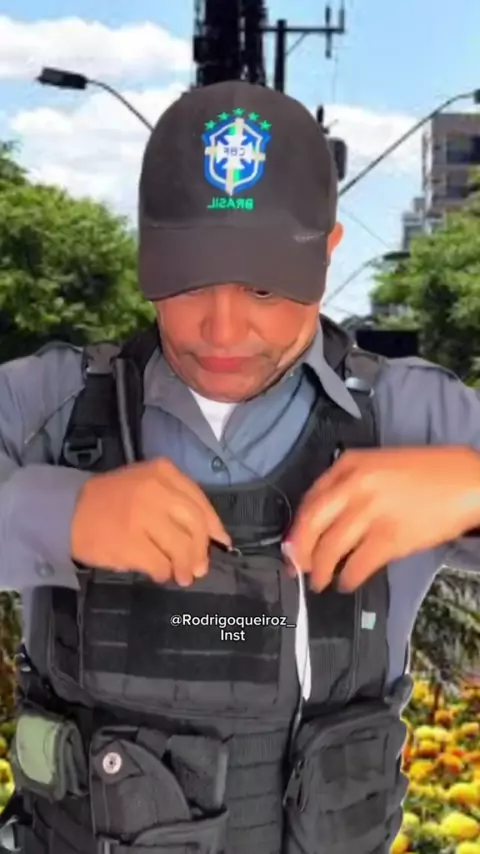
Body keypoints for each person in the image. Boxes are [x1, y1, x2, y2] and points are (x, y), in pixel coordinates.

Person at [0, 79, 479, 854]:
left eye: (263, 285)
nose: (223, 329)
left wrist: (467, 486)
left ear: (327, 252)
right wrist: (58, 512)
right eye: (191, 277)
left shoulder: (413, 417)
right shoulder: (48, 403)